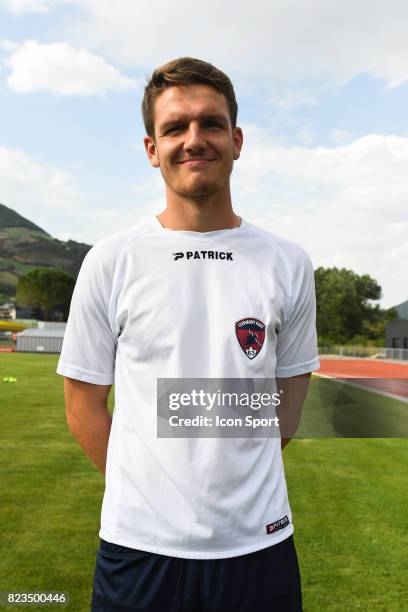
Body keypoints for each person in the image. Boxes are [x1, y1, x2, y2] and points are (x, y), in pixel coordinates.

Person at [57, 57, 320, 611]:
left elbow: (287, 412)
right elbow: (83, 403)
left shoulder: (288, 262)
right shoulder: (111, 260)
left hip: (259, 546)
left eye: (211, 123)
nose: (194, 140)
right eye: (175, 127)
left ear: (237, 139)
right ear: (152, 148)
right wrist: (149, 492)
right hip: (138, 549)